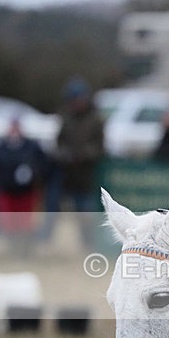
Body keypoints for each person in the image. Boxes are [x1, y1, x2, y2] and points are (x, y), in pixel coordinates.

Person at [54, 75, 105, 248]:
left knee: (87, 213)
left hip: (88, 176)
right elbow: (59, 143)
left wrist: (83, 155)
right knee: (70, 213)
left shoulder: (95, 119)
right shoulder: (66, 118)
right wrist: (66, 155)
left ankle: (90, 244)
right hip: (69, 176)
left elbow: (100, 146)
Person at [0, 116, 48, 255]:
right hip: (7, 191)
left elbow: (43, 165)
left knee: (25, 224)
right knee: (9, 224)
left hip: (26, 192)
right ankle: (12, 250)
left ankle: (26, 250)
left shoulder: (31, 147)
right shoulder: (1, 148)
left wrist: (32, 174)